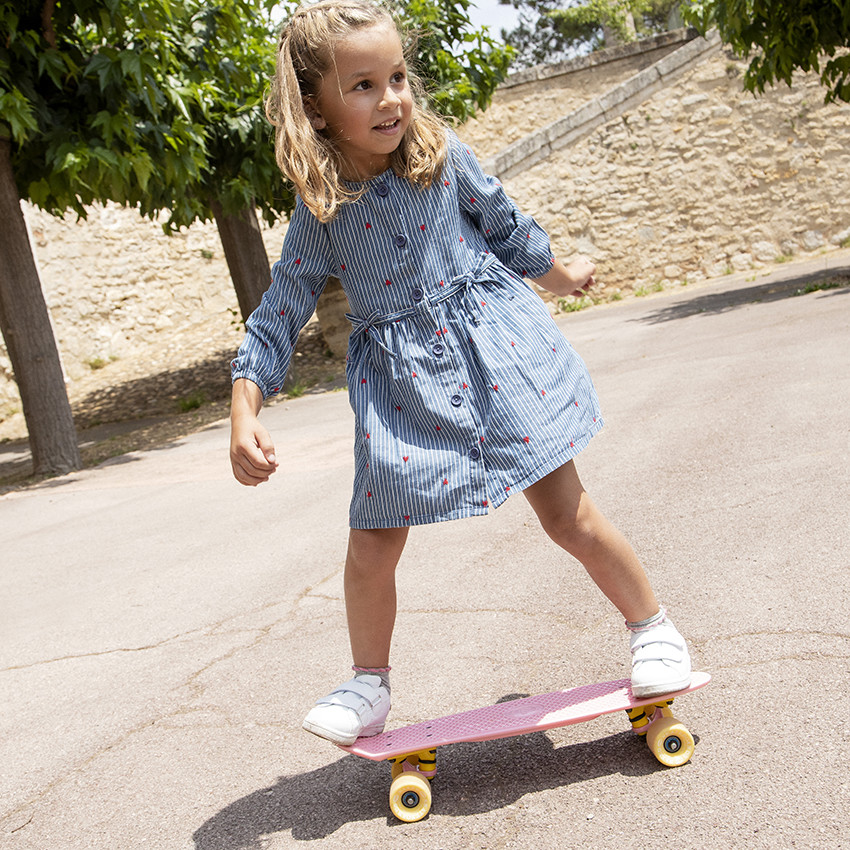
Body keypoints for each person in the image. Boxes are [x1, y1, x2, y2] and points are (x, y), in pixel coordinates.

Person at [229, 0, 691, 746]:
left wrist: (564, 274)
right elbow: (282, 306)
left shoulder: (442, 159)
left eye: (399, 77)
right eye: (364, 86)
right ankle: (368, 685)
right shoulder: (320, 210)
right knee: (372, 543)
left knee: (566, 515)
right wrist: (244, 405)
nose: (392, 99)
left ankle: (654, 630)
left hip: (497, 357)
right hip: (403, 391)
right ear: (315, 108)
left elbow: (506, 227)